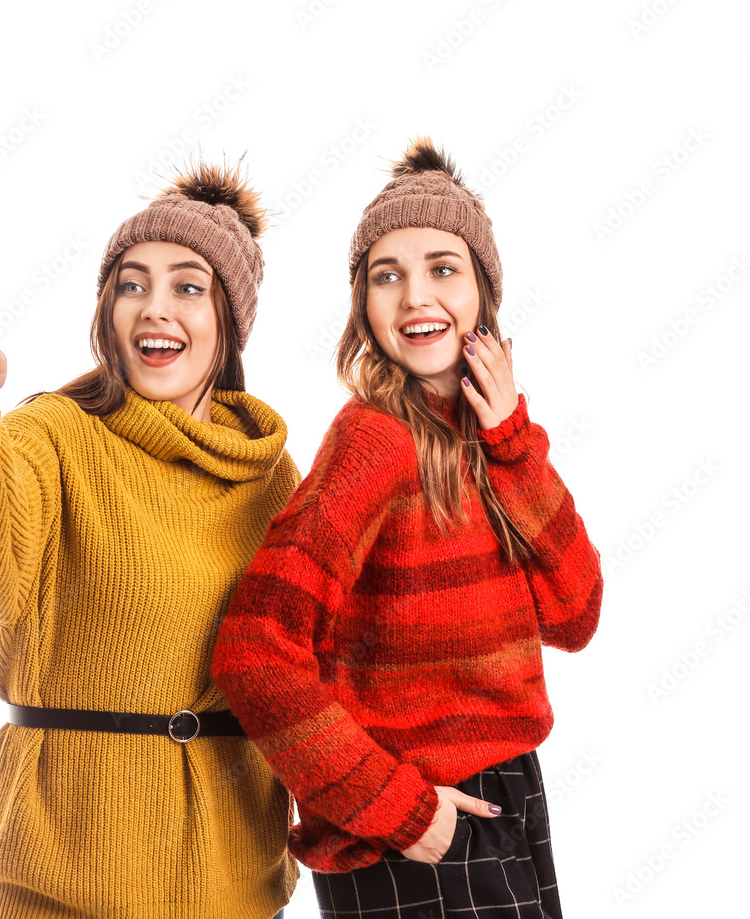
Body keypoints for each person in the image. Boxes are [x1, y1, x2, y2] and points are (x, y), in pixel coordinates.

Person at [212, 138, 603, 919]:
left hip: (506, 794)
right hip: (418, 825)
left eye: (442, 268)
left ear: (485, 293)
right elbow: (255, 650)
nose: (414, 295)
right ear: (363, 303)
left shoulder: (490, 437)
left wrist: (514, 443)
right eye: (385, 275)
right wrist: (397, 807)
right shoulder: (375, 441)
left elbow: (575, 614)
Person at [0, 162, 299, 919]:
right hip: (62, 877)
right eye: (131, 284)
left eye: (188, 286)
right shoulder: (52, 434)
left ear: (231, 319)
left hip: (234, 886)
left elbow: (326, 663)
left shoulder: (272, 476)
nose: (155, 310)